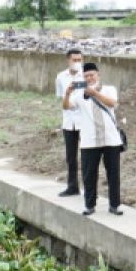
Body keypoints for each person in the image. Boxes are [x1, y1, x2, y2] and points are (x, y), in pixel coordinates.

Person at [63, 62, 123, 216]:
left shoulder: (109, 89)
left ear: (98, 75)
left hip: (111, 139)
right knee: (89, 175)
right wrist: (68, 93)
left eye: (92, 75)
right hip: (89, 141)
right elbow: (66, 106)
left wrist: (95, 93)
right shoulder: (79, 94)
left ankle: (114, 205)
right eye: (86, 76)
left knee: (113, 174)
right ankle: (90, 205)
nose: (89, 78)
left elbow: (112, 103)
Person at [54, 49, 84, 197]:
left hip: (84, 121)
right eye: (75, 60)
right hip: (69, 122)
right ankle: (72, 186)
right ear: (68, 60)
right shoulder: (61, 77)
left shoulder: (86, 75)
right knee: (71, 156)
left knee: (88, 156)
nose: (77, 62)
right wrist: (68, 96)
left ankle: (90, 188)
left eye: (80, 59)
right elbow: (62, 100)